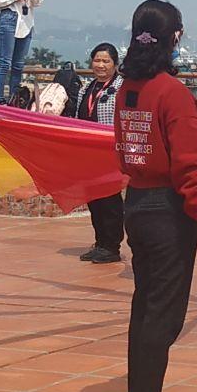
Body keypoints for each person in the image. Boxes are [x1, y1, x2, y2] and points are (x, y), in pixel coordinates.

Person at [114, 0, 197, 392]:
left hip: (137, 203)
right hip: (167, 210)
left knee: (146, 304)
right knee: (163, 311)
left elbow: (123, 147)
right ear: (176, 38)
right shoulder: (173, 94)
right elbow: (188, 165)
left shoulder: (128, 89)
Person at [73, 43, 125, 263]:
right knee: (94, 199)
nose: (100, 65)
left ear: (115, 64)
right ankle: (100, 242)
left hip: (110, 152)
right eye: (97, 60)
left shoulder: (123, 87)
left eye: (106, 61)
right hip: (88, 153)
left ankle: (112, 245)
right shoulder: (87, 88)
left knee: (110, 199)